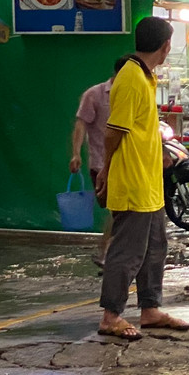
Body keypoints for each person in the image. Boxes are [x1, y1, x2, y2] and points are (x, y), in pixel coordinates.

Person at [95, 17, 189, 340]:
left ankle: (150, 309)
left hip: (150, 184)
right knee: (128, 250)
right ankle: (111, 315)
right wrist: (107, 169)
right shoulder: (132, 78)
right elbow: (113, 132)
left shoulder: (145, 77)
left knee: (155, 248)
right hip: (133, 182)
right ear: (164, 48)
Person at [70, 58, 125, 265]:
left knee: (119, 210)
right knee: (117, 209)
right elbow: (81, 125)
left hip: (129, 163)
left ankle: (108, 254)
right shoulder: (94, 95)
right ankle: (107, 253)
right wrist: (76, 154)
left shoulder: (132, 93)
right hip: (102, 163)